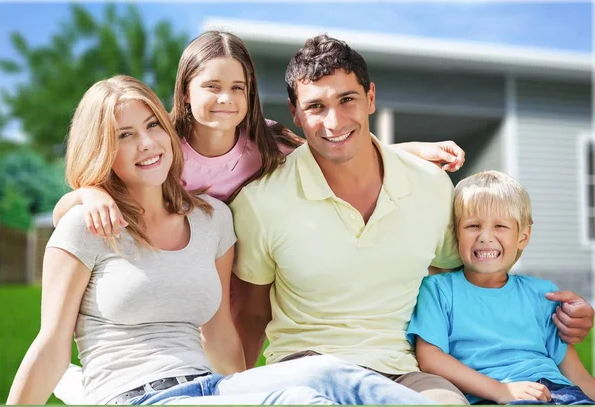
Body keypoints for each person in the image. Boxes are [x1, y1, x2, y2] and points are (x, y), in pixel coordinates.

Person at [7, 75, 436, 406]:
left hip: (210, 388)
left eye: (152, 125)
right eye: (124, 135)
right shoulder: (86, 225)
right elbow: (51, 345)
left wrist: (249, 387)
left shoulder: (212, 220)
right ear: (101, 148)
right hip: (135, 395)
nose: (147, 143)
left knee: (333, 375)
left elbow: (220, 334)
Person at [229, 34, 595, 405]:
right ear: (295, 112)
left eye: (347, 99)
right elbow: (249, 313)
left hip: (403, 369)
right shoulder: (262, 201)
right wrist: (235, 389)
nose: (334, 121)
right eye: (316, 107)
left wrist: (553, 313)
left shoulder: (429, 184)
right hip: (306, 367)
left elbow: (469, 279)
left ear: (370, 97)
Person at [52, 30, 466, 236]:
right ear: (184, 90)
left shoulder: (266, 142)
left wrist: (408, 150)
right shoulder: (161, 145)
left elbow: (334, 146)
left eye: (238, 88)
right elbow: (64, 210)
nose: (225, 99)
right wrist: (91, 192)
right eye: (211, 87)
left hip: (236, 266)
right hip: (174, 262)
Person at [406, 170, 595, 405]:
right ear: (456, 235)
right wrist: (500, 390)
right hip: (491, 393)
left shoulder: (543, 294)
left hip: (559, 391)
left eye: (500, 226)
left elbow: (577, 375)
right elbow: (430, 358)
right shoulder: (439, 290)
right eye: (473, 225)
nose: (485, 236)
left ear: (523, 236)